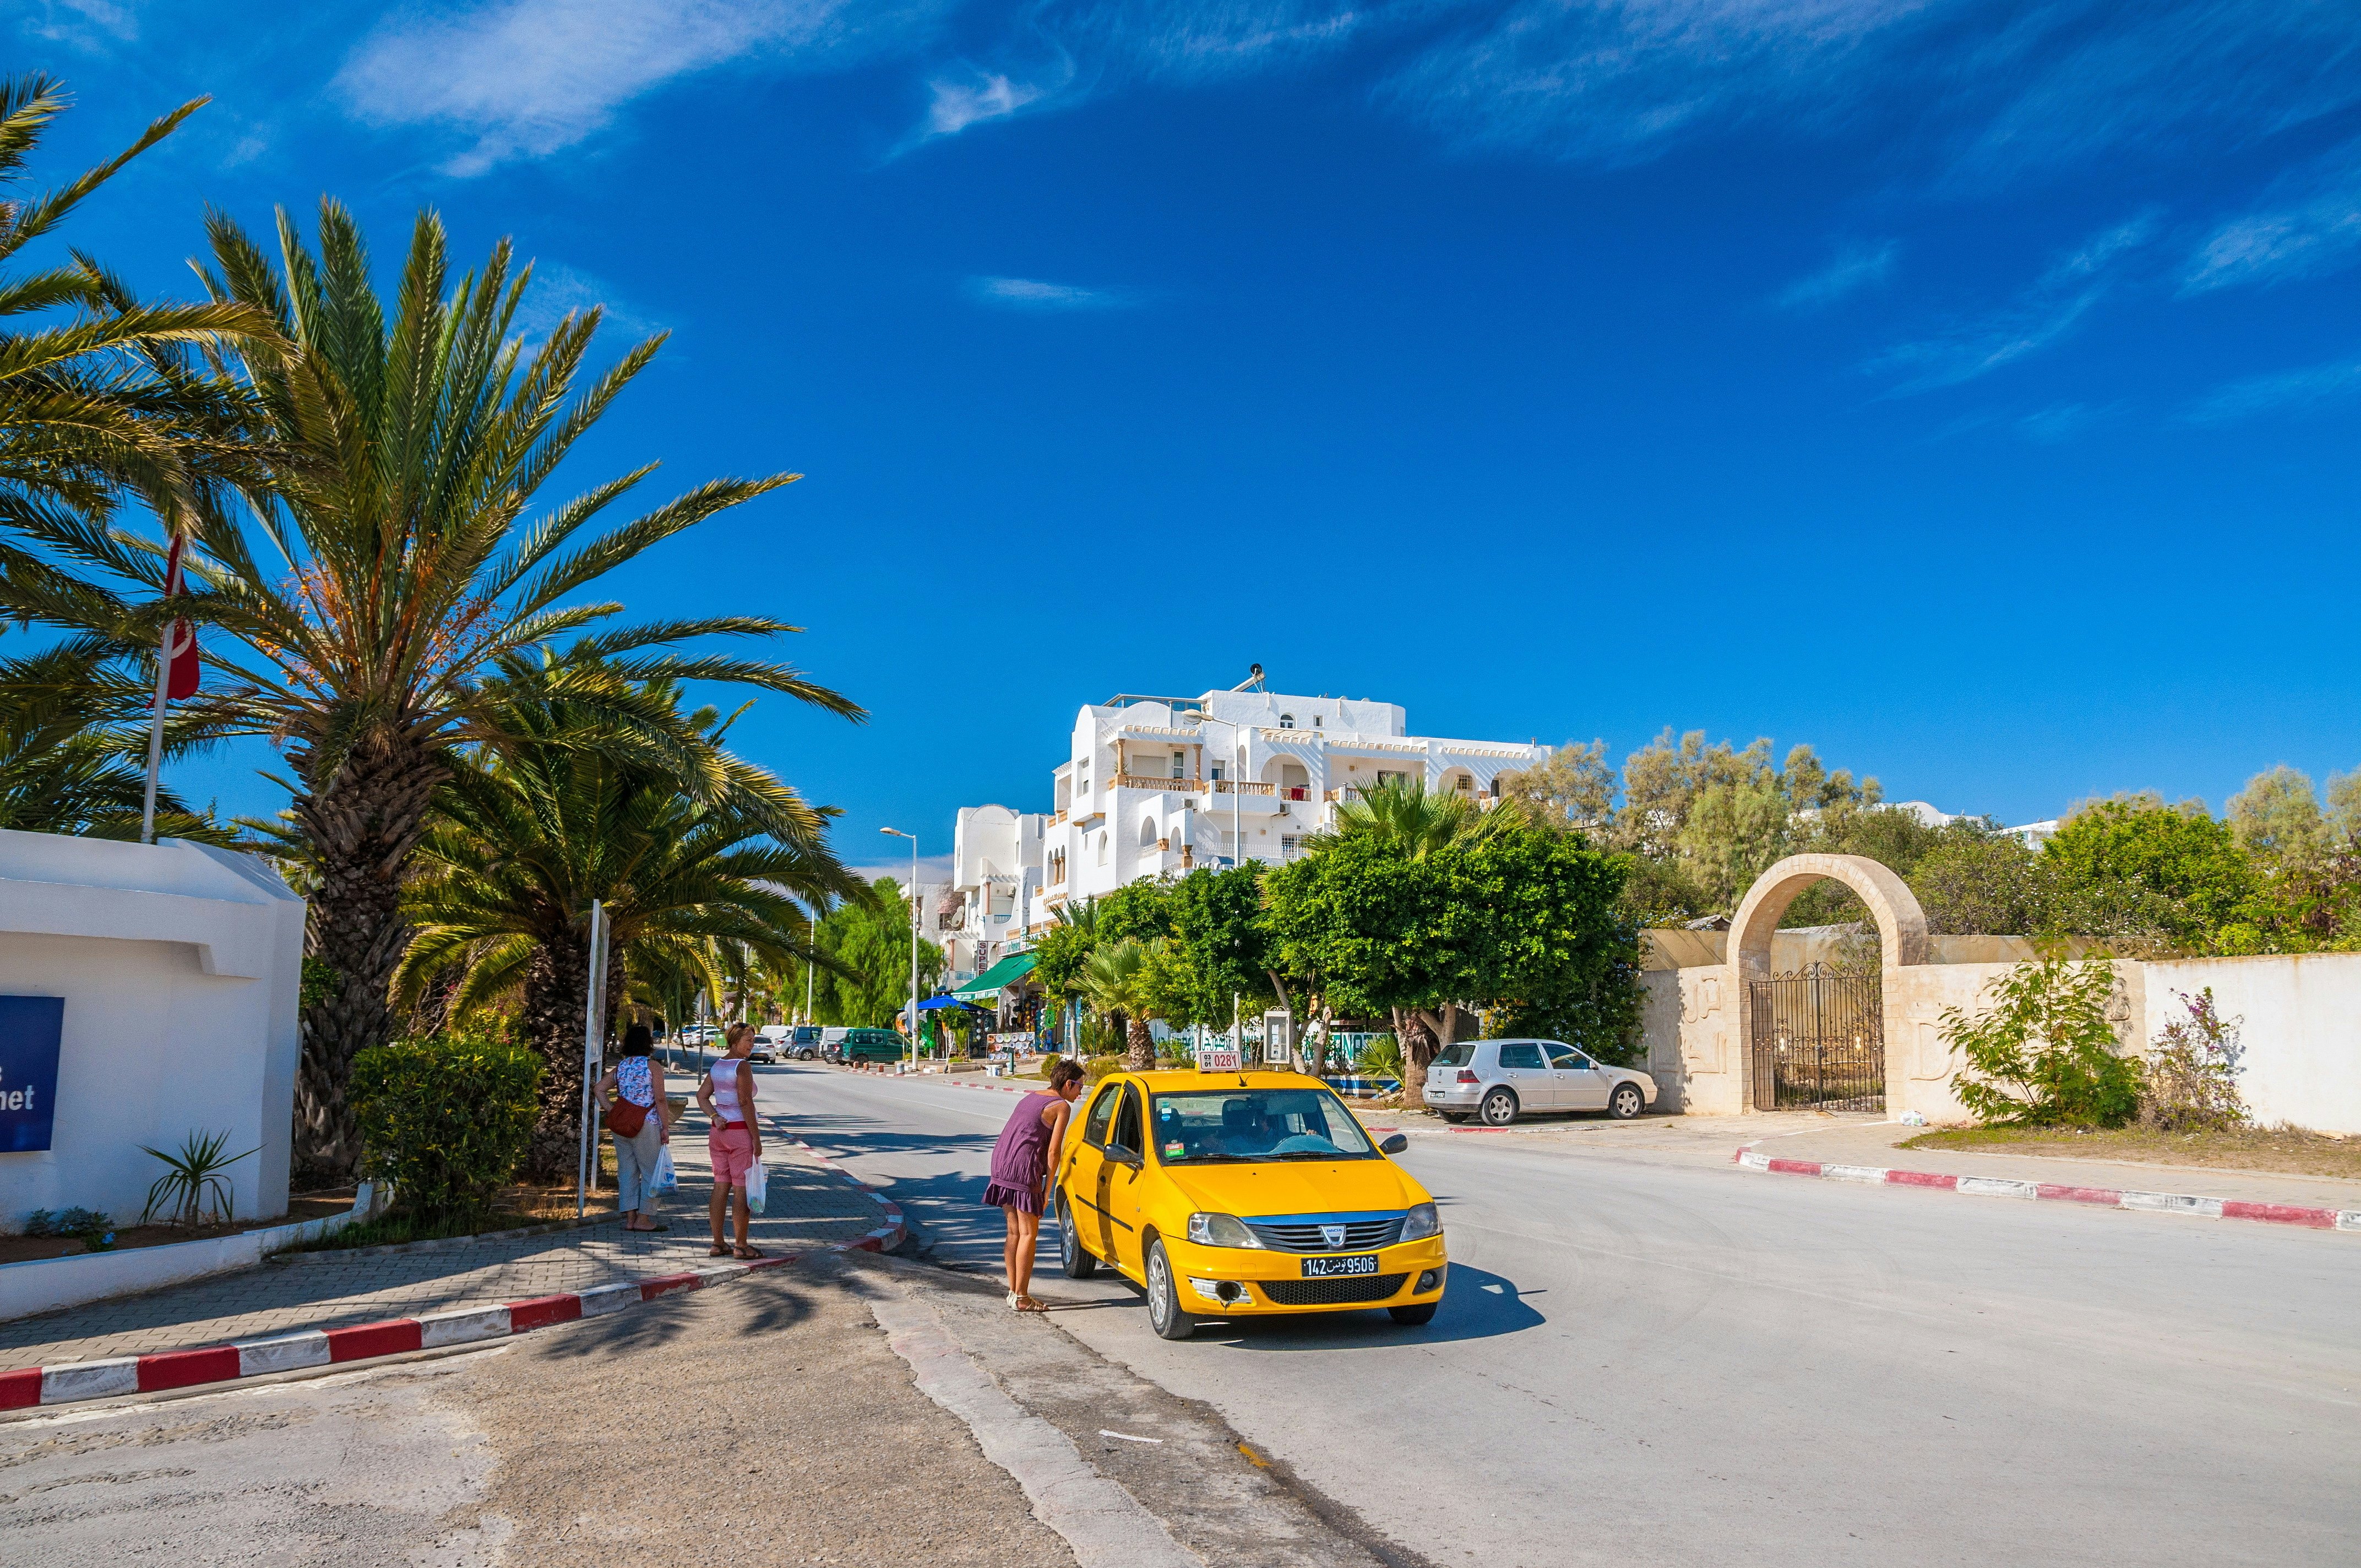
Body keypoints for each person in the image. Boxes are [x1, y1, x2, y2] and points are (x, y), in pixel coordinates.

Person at [982, 1058, 1086, 1311]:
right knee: (1029, 1233)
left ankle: (1013, 1292)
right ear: (1068, 1084)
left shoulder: (1032, 1096)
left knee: (1014, 1232)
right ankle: (1023, 1298)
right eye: (1080, 1086)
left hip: (1001, 1162)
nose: (1081, 1092)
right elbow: (1053, 1153)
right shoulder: (1061, 1106)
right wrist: (1048, 1187)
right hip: (1022, 1167)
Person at [697, 1023, 766, 1260]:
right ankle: (741, 1245)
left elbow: (702, 1096)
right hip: (739, 1133)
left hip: (718, 1134)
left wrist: (715, 1116)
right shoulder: (742, 1066)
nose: (752, 1045)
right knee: (741, 1189)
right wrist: (756, 1138)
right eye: (748, 1040)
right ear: (735, 1041)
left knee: (720, 1185)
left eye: (753, 1041)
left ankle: (718, 1244)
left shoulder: (718, 1065)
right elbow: (746, 1102)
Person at [598, 1023, 670, 1231]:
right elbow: (661, 1099)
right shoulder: (652, 1066)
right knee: (650, 1172)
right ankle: (644, 1219)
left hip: (622, 1126)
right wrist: (666, 1127)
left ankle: (630, 1219)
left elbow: (599, 1089)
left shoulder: (621, 1066)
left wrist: (612, 1110)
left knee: (627, 1172)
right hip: (647, 1124)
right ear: (648, 1043)